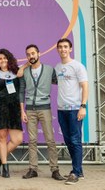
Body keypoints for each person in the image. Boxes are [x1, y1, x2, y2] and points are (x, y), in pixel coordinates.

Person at [18, 44, 64, 180]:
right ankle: (33, 169)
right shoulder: (24, 72)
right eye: (28, 54)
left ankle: (55, 170)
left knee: (50, 140)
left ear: (39, 53)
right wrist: (22, 111)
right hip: (29, 110)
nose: (31, 56)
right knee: (32, 141)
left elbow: (61, 83)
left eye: (33, 53)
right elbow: (21, 91)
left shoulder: (50, 70)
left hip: (45, 109)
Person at [54, 38, 88, 185]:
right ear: (57, 49)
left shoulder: (77, 66)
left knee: (75, 140)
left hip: (75, 109)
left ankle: (75, 172)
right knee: (68, 141)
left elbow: (85, 86)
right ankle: (78, 170)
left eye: (65, 47)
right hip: (62, 109)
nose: (63, 49)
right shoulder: (57, 67)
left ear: (70, 49)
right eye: (60, 47)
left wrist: (83, 106)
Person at [0, 49, 23, 178]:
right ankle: (5, 167)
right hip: (0, 108)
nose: (3, 60)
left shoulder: (16, 71)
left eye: (5, 58)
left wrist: (26, 65)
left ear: (9, 58)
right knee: (2, 138)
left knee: (17, 139)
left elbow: (25, 67)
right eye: (0, 59)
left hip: (14, 108)